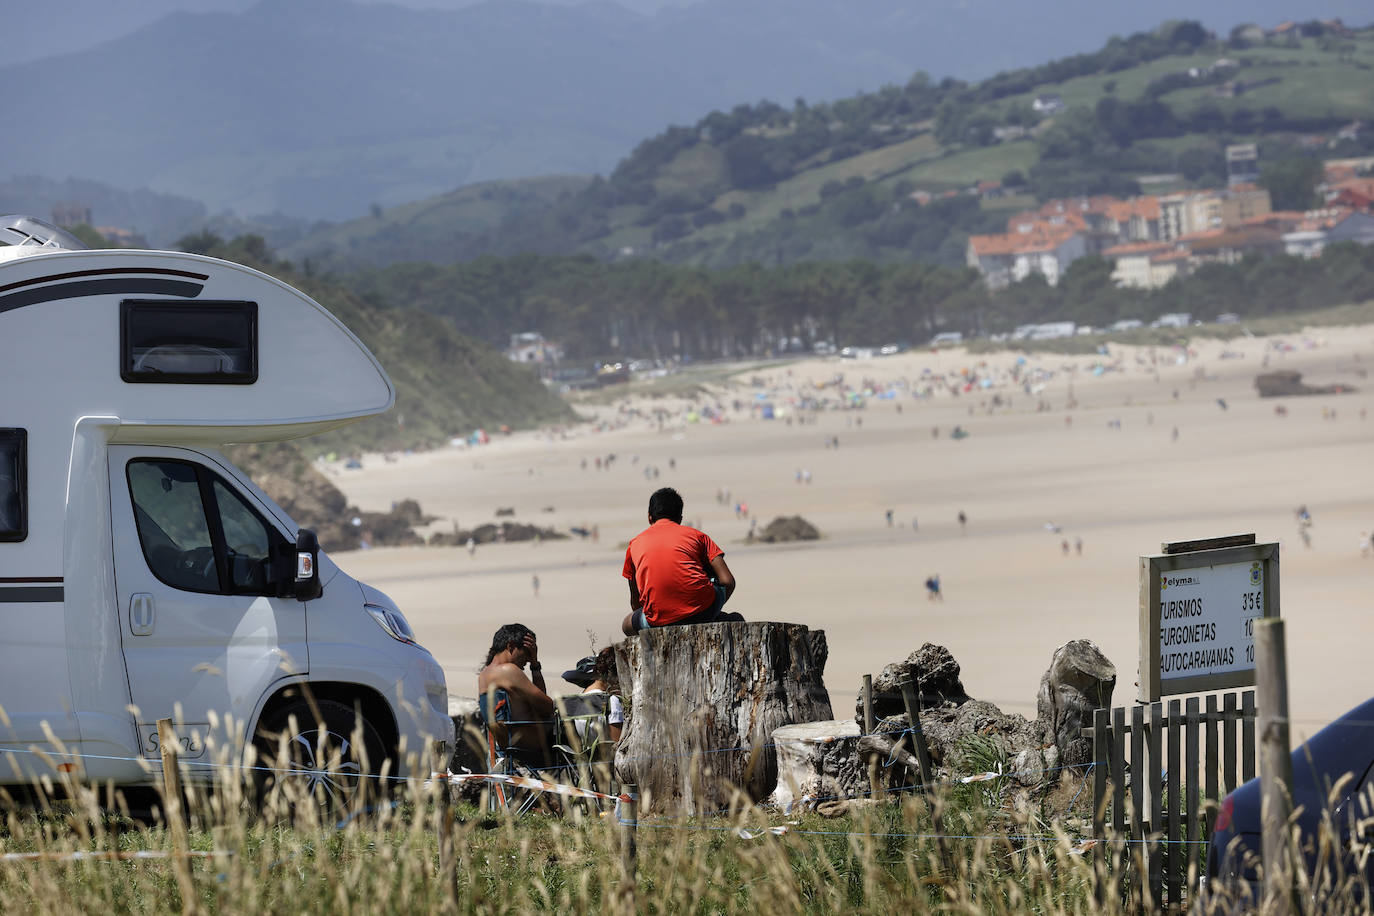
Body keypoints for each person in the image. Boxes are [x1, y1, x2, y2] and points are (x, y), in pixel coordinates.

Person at [621, 487, 740, 636]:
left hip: (657, 619)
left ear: (649, 517)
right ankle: (713, 618)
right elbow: (728, 581)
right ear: (680, 518)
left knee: (626, 625)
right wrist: (710, 610)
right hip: (702, 611)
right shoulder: (698, 536)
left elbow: (635, 603)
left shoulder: (634, 545)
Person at [478, 624, 557, 766]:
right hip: (533, 750)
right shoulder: (509, 671)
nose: (528, 658)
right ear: (511, 646)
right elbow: (547, 707)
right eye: (527, 652)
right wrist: (535, 665)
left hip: (506, 748)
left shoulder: (484, 675)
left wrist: (533, 662)